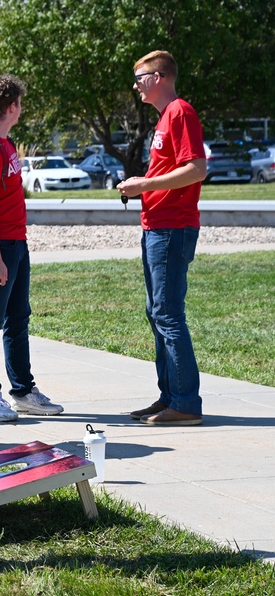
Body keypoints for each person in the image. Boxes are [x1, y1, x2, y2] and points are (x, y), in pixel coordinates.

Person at [0, 75, 63, 422]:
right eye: (20, 102)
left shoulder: (5, 144)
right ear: (12, 106)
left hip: (16, 243)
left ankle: (22, 391)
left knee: (18, 319)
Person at [119, 51, 206, 426]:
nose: (136, 85)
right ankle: (170, 397)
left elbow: (197, 169)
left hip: (172, 228)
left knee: (169, 315)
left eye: (139, 78)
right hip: (158, 226)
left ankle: (185, 404)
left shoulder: (181, 112)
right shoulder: (165, 118)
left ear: (158, 77)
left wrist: (144, 184)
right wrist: (143, 188)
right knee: (158, 313)